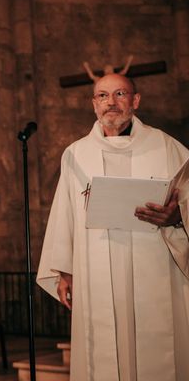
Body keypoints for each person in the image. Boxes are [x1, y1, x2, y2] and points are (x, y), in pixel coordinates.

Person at [37, 73, 189, 380]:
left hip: (155, 263)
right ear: (94, 104)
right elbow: (64, 214)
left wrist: (178, 217)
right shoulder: (76, 155)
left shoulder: (168, 148)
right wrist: (64, 270)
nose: (111, 102)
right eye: (103, 96)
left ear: (135, 101)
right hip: (96, 269)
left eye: (120, 94)